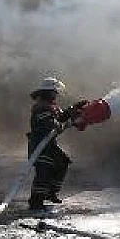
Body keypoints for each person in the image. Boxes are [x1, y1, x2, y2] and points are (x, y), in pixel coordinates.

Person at [27, 78, 87, 211]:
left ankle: (50, 192)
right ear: (48, 92)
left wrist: (74, 108)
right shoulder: (41, 107)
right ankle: (35, 202)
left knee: (62, 162)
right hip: (39, 145)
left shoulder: (51, 106)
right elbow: (51, 124)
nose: (56, 95)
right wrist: (66, 123)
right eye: (54, 92)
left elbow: (61, 116)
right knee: (44, 171)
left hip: (48, 144)